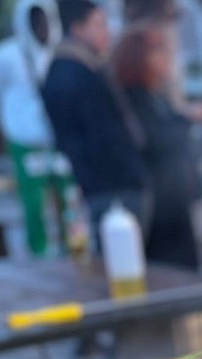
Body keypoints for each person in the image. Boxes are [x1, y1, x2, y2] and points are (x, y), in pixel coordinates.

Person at [42, 0, 149, 239]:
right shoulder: (79, 72)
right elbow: (103, 134)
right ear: (77, 28)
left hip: (99, 184)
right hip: (113, 186)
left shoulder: (66, 68)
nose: (107, 32)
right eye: (99, 24)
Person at [112, 25, 202, 270]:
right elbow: (154, 140)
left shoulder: (155, 94)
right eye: (158, 53)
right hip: (159, 203)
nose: (166, 59)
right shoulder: (133, 98)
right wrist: (185, 120)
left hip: (174, 198)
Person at [0, 0, 71, 256]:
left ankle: (72, 250)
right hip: (23, 136)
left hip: (56, 136)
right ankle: (39, 253)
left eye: (45, 19)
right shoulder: (5, 54)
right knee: (33, 201)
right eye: (35, 20)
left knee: (68, 197)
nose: (41, 26)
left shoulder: (59, 51)